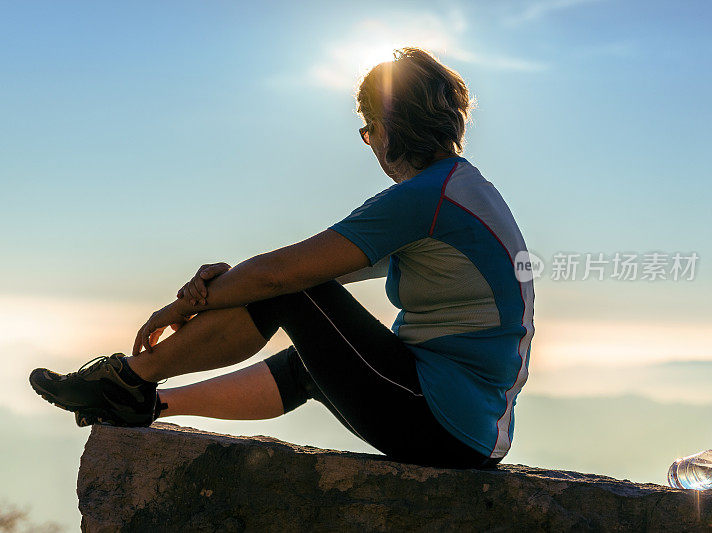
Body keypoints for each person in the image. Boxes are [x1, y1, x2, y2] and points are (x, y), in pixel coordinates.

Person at [29, 47, 534, 470]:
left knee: (301, 296)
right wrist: (232, 282)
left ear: (386, 127)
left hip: (444, 421)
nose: (369, 145)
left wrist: (182, 307)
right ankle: (148, 402)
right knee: (311, 358)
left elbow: (280, 278)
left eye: (367, 130)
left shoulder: (426, 198)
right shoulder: (459, 192)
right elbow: (283, 273)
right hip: (463, 423)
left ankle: (127, 379)